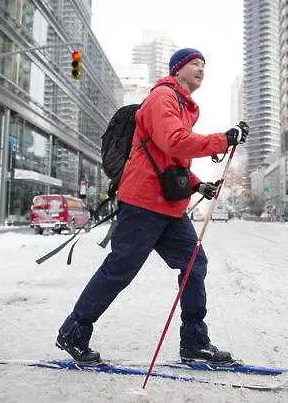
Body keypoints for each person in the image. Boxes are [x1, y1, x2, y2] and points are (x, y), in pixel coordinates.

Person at [55, 48, 249, 364]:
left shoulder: (184, 106)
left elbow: (170, 159)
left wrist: (199, 184)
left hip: (169, 208)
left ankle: (194, 342)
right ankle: (73, 333)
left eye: (204, 64)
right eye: (195, 64)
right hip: (143, 203)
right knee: (119, 271)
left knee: (194, 264)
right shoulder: (162, 98)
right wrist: (223, 140)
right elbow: (174, 141)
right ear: (178, 69)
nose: (201, 69)